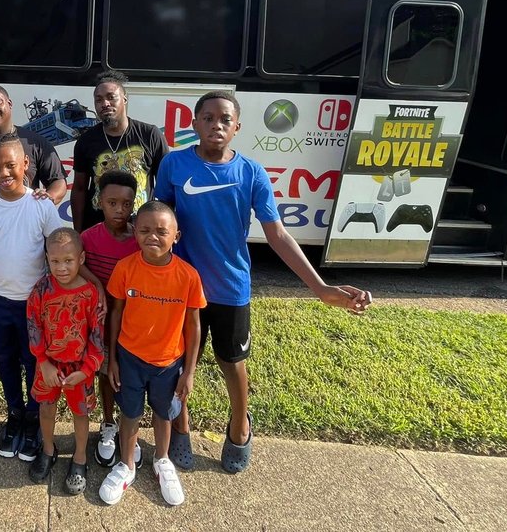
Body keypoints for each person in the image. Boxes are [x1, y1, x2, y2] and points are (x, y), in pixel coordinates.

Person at [153, 90, 373, 474]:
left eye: (225, 119)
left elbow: (278, 235)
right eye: (208, 118)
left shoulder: (251, 173)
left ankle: (240, 425)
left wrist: (321, 288)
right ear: (194, 123)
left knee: (232, 361)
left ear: (237, 127)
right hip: (183, 290)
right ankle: (181, 426)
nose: (216, 125)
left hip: (230, 288)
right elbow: (158, 222)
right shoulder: (174, 164)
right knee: (179, 362)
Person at [0, 135, 65, 462]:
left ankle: (34, 417)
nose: (3, 173)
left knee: (34, 360)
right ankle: (14, 414)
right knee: (5, 359)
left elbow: (57, 251)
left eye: (10, 165)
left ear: (25, 165)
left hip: (34, 305)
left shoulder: (41, 205)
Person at [99, 202, 204, 507]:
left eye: (161, 231)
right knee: (130, 413)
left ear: (176, 236)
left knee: (163, 413)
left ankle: (162, 460)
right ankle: (126, 465)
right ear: (135, 233)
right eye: (144, 230)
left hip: (168, 363)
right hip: (129, 359)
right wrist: (112, 359)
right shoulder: (125, 268)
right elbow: (115, 314)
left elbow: (194, 326)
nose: (152, 236)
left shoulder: (188, 276)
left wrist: (189, 372)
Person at [26, 228, 104, 494]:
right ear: (47, 259)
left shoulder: (90, 294)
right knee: (46, 408)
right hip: (47, 366)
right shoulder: (41, 290)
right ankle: (48, 449)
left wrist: (87, 369)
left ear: (81, 258)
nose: (61, 267)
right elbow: (33, 325)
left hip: (80, 370)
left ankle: (80, 457)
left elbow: (97, 335)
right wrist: (43, 362)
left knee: (80, 414)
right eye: (55, 261)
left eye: (68, 261)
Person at [79, 169, 140, 469]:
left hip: (132, 323)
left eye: (126, 204)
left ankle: (131, 430)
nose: (119, 210)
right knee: (105, 373)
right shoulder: (88, 237)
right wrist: (98, 286)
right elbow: (77, 264)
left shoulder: (139, 239)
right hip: (100, 322)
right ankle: (107, 423)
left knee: (130, 376)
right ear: (99, 202)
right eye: (112, 203)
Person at [71, 71, 168, 232]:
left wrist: (163, 227)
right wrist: (79, 232)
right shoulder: (86, 140)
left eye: (111, 97)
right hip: (98, 230)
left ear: (124, 99)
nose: (105, 103)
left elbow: (166, 186)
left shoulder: (150, 134)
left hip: (140, 230)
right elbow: (79, 189)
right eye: (99, 100)